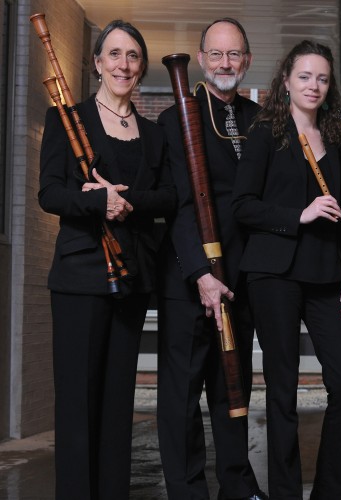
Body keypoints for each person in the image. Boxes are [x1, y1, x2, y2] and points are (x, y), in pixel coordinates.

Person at [38, 19, 175, 500]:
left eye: (133, 55)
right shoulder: (67, 119)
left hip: (132, 276)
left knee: (118, 403)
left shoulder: (155, 135)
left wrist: (128, 200)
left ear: (141, 67)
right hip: (79, 277)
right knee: (78, 403)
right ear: (97, 63)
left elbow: (170, 196)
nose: (123, 64)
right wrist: (98, 201)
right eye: (114, 54)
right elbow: (50, 194)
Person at [231, 40, 341, 499]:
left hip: (327, 276)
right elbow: (242, 206)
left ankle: (329, 492)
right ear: (285, 80)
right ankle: (286, 493)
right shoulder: (267, 133)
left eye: (322, 78)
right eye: (304, 76)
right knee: (282, 389)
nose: (313, 85)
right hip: (274, 274)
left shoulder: (338, 141)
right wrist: (298, 215)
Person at [157, 18, 266, 500]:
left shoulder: (260, 121)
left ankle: (237, 486)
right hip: (189, 278)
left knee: (232, 389)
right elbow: (180, 203)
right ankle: (187, 492)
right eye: (216, 54)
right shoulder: (174, 117)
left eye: (235, 54)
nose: (226, 64)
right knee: (181, 394)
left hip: (242, 275)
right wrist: (201, 273)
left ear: (247, 61)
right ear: (201, 59)